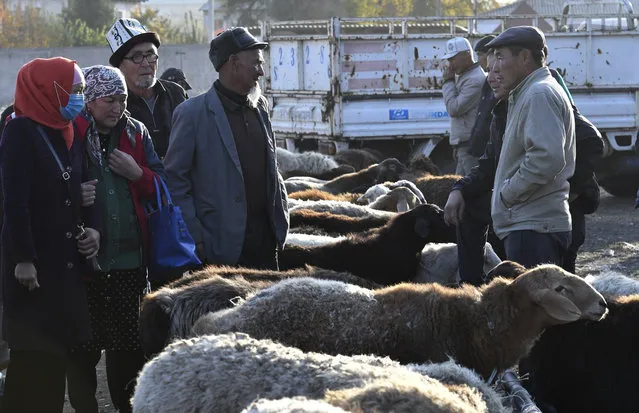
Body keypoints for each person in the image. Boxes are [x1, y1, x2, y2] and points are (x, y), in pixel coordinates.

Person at [0, 57, 101, 413]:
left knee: (53, 363)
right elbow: (15, 202)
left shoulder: (67, 129)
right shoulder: (20, 131)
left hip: (64, 270)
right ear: (48, 90)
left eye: (81, 90)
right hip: (34, 272)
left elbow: (80, 187)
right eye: (73, 90)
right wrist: (24, 258)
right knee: (32, 366)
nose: (79, 97)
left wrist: (92, 229)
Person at [66, 65, 165, 413]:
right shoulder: (70, 136)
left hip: (130, 263)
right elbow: (49, 189)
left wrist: (138, 174)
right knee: (82, 351)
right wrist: (73, 194)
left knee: (127, 350)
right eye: (109, 99)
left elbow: (164, 186)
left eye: (122, 98)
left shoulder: (136, 134)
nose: (117, 107)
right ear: (89, 102)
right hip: (86, 267)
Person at [446, 26, 576, 270]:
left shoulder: (539, 93)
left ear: (525, 57)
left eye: (500, 57)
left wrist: (506, 194)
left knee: (532, 306)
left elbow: (546, 159)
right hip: (528, 223)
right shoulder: (525, 94)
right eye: (492, 58)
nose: (493, 67)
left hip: (534, 226)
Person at [164, 27, 289, 270]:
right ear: (233, 63)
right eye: (256, 64)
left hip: (266, 243)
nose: (261, 72)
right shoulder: (192, 114)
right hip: (221, 248)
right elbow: (175, 179)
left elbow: (271, 166)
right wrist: (196, 236)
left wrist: (281, 213)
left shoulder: (260, 106)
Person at [106, 18, 187, 159]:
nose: (146, 63)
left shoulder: (176, 93)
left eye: (150, 55)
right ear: (120, 65)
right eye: (136, 57)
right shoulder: (113, 106)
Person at [440, 36, 486, 175]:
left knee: (469, 190)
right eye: (449, 59)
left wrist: (448, 82)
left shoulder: (475, 79)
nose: (450, 64)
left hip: (470, 146)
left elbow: (454, 109)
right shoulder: (465, 76)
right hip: (464, 146)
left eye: (453, 58)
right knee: (461, 189)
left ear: (467, 55)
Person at [468, 35, 499, 159]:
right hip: (481, 148)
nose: (479, 59)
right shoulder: (487, 81)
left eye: (480, 54)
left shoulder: (499, 81)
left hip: (489, 148)